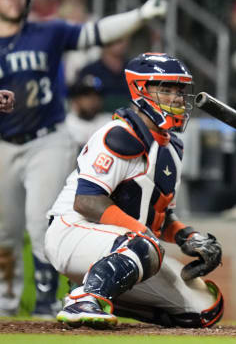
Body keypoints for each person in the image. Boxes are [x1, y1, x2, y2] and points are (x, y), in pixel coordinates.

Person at [0, 0, 168, 318]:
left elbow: (96, 33)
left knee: (40, 221)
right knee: (4, 233)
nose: (14, 0)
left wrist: (138, 16)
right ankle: (6, 306)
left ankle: (48, 305)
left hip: (45, 138)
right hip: (2, 143)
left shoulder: (48, 32)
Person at [45, 52, 224, 328]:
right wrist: (143, 235)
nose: (176, 98)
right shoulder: (119, 134)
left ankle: (99, 286)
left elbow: (160, 219)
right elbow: (87, 201)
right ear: (140, 90)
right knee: (145, 245)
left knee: (204, 310)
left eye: (179, 90)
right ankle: (85, 298)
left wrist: (190, 237)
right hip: (72, 231)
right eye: (166, 89)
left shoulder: (172, 148)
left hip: (124, 245)